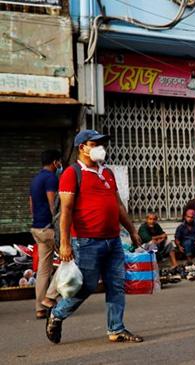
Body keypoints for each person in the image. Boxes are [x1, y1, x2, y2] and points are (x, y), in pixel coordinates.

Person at [47, 130, 143, 344]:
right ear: (82, 147)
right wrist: (64, 243)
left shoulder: (107, 172)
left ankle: (116, 329)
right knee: (86, 286)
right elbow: (66, 211)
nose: (100, 147)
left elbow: (118, 205)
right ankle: (57, 314)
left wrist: (132, 230)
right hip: (86, 241)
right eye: (95, 143)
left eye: (102, 143)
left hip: (113, 240)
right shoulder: (72, 173)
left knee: (116, 285)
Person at [29, 149, 63, 319]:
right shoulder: (51, 178)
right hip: (49, 228)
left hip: (37, 227)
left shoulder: (35, 179)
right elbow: (53, 205)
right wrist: (59, 228)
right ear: (54, 162)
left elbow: (31, 205)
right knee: (71, 258)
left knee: (43, 269)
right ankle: (50, 297)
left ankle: (39, 308)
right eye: (59, 162)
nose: (59, 165)